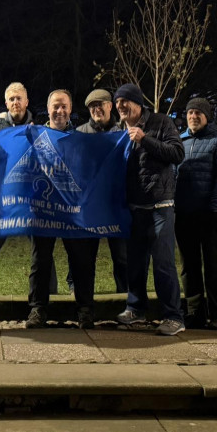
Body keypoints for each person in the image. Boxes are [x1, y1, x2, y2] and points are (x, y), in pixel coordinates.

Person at [112, 83, 187, 336]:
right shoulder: (117, 131)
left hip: (160, 205)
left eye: (126, 102)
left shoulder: (161, 122)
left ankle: (173, 316)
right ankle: (135, 309)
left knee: (163, 263)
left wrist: (145, 139)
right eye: (118, 103)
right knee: (135, 263)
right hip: (135, 207)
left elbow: (177, 153)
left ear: (138, 103)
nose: (121, 106)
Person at [25, 89, 99, 330]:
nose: (60, 111)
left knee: (81, 260)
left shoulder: (80, 139)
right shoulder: (35, 138)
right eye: (56, 106)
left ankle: (85, 309)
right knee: (41, 260)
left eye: (64, 106)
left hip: (72, 211)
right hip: (43, 209)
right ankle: (38, 309)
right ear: (48, 109)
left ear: (70, 109)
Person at [0, 82, 57, 294]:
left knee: (43, 252)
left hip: (31, 201)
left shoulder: (38, 129)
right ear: (6, 103)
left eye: (19, 98)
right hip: (2, 202)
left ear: (26, 102)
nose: (15, 102)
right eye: (12, 99)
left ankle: (50, 295)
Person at [174, 97, 217, 330]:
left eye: (198, 112)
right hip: (184, 214)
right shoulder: (181, 141)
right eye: (190, 112)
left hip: (210, 215)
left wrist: (216, 206)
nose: (193, 116)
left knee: (214, 265)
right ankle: (194, 314)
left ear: (207, 116)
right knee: (189, 267)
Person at [76, 88, 128, 293]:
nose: (96, 109)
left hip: (117, 207)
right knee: (85, 258)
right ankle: (84, 301)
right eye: (92, 106)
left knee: (122, 258)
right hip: (90, 207)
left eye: (100, 104)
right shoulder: (79, 134)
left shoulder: (122, 133)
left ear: (110, 106)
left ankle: (125, 299)